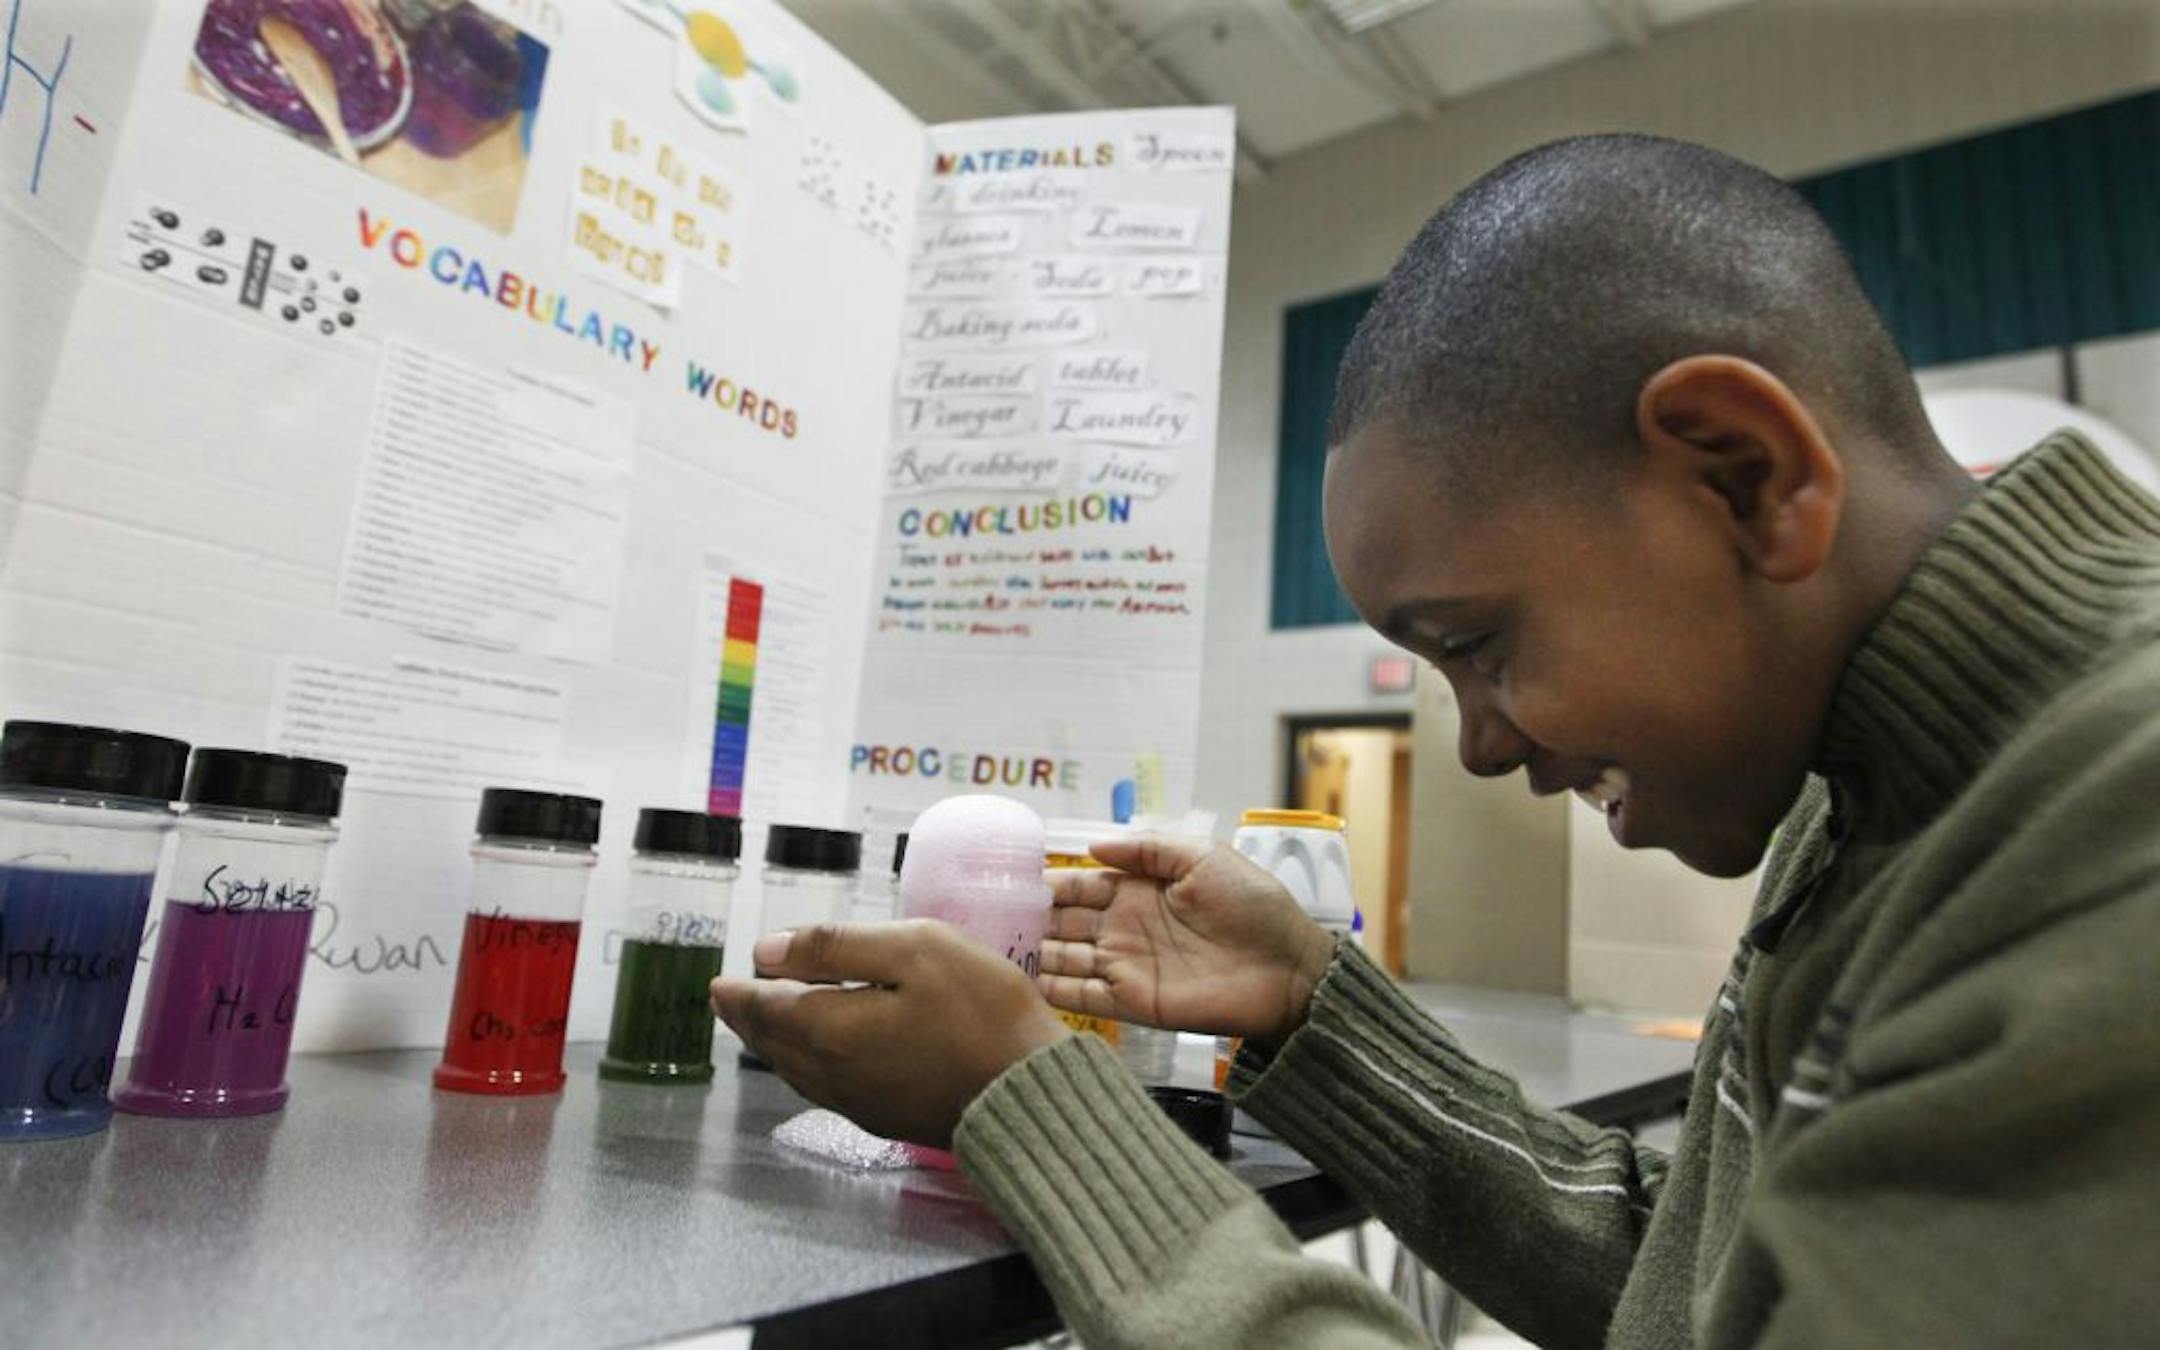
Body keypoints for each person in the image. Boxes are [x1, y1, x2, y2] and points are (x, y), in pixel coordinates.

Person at [711, 134, 2160, 1348]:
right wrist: (1316, 1010)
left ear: (1743, 472)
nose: (1473, 747)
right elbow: (1700, 1292)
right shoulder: (1871, 795)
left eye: (1476, 642)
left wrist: (1039, 1111)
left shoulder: (2110, 835)